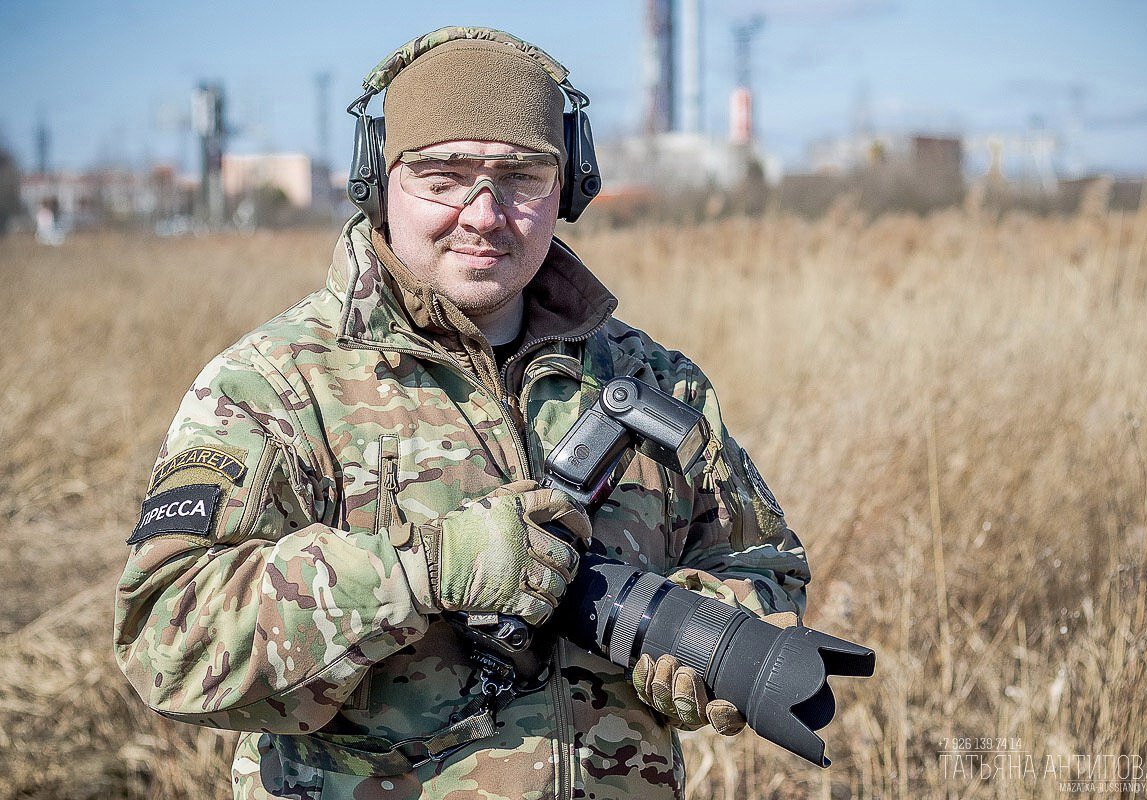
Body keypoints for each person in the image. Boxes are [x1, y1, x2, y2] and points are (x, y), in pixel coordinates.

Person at [114, 27, 811, 800]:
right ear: (379, 179)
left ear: (571, 183)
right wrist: (424, 570)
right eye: (443, 176)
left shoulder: (656, 381)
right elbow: (167, 640)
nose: (485, 214)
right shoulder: (275, 386)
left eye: (521, 176)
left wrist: (698, 632)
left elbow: (765, 565)